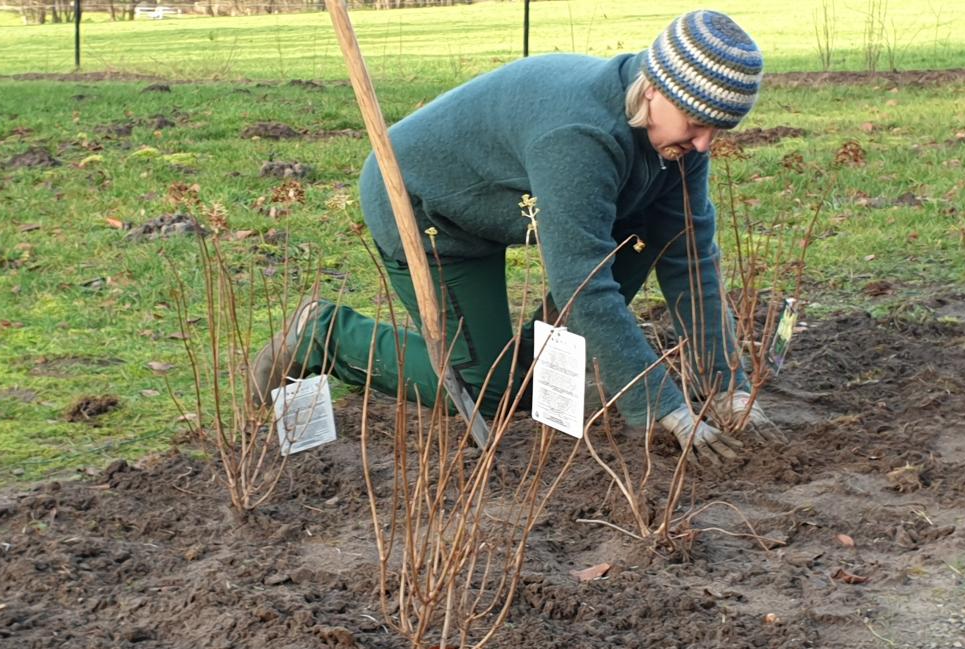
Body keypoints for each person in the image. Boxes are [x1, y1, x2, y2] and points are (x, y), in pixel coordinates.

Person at [253, 9, 784, 461]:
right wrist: (660, 403)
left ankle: (541, 368)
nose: (705, 143)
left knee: (642, 236)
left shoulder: (674, 145)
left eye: (720, 129)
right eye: (696, 123)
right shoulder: (580, 137)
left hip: (498, 202)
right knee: (489, 387)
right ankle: (322, 334)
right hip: (424, 207)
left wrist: (728, 386)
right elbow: (583, 278)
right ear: (653, 89)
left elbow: (688, 256)